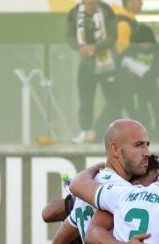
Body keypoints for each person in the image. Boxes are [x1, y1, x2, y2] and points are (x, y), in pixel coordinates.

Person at [67, 0, 119, 145]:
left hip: (106, 62)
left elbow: (113, 36)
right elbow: (70, 36)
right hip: (86, 64)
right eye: (89, 3)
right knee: (85, 100)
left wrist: (96, 47)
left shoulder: (107, 10)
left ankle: (99, 132)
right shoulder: (74, 12)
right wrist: (79, 47)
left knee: (113, 100)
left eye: (94, 3)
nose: (91, 5)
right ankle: (85, 131)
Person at [121, 24, 159, 143]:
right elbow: (121, 62)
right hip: (139, 87)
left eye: (148, 43)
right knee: (143, 112)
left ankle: (158, 135)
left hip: (154, 86)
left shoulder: (157, 48)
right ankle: (148, 134)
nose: (146, 45)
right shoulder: (132, 49)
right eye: (143, 43)